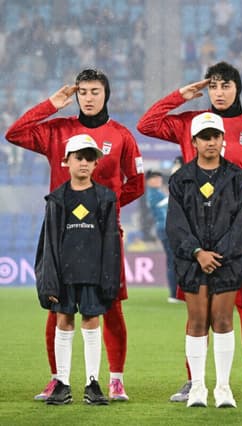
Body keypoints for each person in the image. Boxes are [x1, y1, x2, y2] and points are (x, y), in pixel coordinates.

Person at [137, 61, 242, 403]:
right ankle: (194, 381)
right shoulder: (190, 122)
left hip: (240, 230)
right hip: (195, 235)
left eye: (225, 85)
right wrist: (181, 96)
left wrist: (235, 202)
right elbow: (147, 124)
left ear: (237, 88)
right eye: (213, 86)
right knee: (197, 312)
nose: (218, 91)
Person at [5, 68, 144, 401]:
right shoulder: (58, 130)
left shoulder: (121, 135)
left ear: (106, 94)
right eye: (82, 92)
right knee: (58, 304)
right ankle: (58, 379)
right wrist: (51, 104)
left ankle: (115, 379)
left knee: (110, 305)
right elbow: (14, 133)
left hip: (105, 234)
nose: (89, 97)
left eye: (95, 91)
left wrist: (103, 211)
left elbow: (136, 183)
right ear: (76, 95)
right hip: (62, 234)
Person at [166, 112, 242, 408]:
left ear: (222, 139)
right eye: (204, 137)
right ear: (194, 142)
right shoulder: (180, 179)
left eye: (215, 136)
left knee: (223, 319)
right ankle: (198, 388)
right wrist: (197, 252)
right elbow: (175, 224)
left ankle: (224, 388)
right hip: (192, 261)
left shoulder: (237, 177)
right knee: (197, 321)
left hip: (228, 260)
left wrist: (219, 253)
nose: (211, 142)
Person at [35, 134, 120, 406]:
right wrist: (49, 280)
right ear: (66, 161)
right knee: (64, 321)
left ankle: (92, 383)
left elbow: (111, 242)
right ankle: (62, 382)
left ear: (96, 164)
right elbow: (48, 243)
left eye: (89, 158)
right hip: (64, 273)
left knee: (92, 322)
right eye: (78, 157)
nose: (84, 163)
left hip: (93, 272)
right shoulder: (56, 199)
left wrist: (110, 278)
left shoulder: (106, 198)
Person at [145, 170, 178, 303]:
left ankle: (175, 292)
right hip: (166, 229)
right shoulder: (154, 194)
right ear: (148, 181)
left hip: (165, 229)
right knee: (172, 260)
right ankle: (174, 293)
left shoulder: (156, 193)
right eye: (155, 178)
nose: (158, 180)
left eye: (159, 178)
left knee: (172, 260)